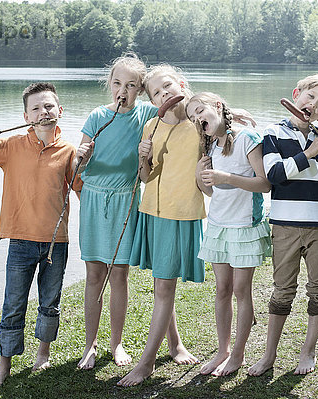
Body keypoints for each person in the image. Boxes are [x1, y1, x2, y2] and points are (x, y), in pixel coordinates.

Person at [0, 82, 92, 388]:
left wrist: (85, 165)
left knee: (50, 302)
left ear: (59, 111)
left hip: (55, 243)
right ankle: (4, 365)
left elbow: (82, 191)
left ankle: (43, 354)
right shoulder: (12, 145)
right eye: (36, 108)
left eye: (48, 106)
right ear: (26, 115)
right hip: (20, 241)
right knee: (14, 304)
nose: (43, 112)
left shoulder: (69, 150)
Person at [247, 74, 318, 377]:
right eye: (310, 96)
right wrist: (307, 154)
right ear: (297, 94)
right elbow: (273, 175)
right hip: (286, 226)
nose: (313, 104)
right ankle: (269, 354)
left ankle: (308, 350)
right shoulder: (273, 132)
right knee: (282, 291)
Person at [118, 64, 206, 387]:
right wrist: (143, 157)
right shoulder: (151, 127)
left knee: (164, 287)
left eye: (167, 85)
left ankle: (146, 363)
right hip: (153, 213)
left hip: (180, 214)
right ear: (152, 101)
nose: (164, 93)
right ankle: (174, 345)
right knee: (162, 287)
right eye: (156, 92)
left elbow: (225, 129)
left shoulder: (200, 124)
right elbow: (144, 176)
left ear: (181, 83)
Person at [75, 53, 158, 370]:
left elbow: (180, 108)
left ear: (141, 89)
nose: (122, 91)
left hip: (127, 201)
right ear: (109, 84)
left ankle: (117, 343)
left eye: (131, 85)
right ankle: (90, 345)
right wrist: (81, 155)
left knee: (119, 275)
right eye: (117, 83)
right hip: (96, 202)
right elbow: (78, 169)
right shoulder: (97, 116)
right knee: (95, 275)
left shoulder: (148, 116)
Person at [186, 92, 271, 377]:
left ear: (218, 107)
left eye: (200, 111)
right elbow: (212, 192)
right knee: (222, 290)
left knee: (240, 291)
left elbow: (264, 184)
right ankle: (222, 351)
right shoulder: (209, 148)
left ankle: (237, 355)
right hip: (219, 226)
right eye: (192, 117)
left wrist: (227, 178)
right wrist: (201, 178)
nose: (198, 119)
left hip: (244, 226)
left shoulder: (247, 139)